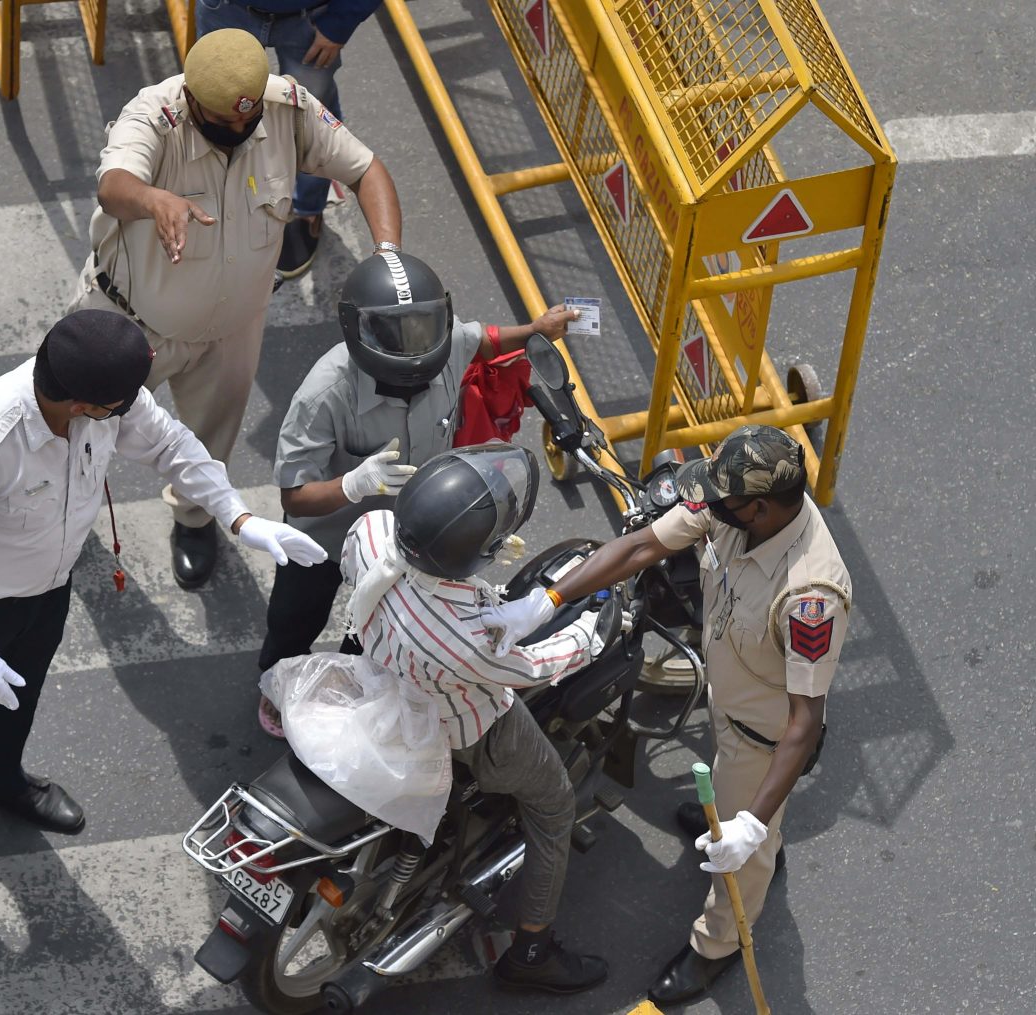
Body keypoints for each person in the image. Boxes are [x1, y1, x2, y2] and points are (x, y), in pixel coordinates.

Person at [0, 310, 328, 919]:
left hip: (45, 588)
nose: (133, 409)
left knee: (18, 698)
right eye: (122, 403)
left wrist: (240, 517)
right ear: (83, 405)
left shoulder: (100, 402)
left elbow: (171, 443)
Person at [479, 425, 851, 1005]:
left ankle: (720, 942)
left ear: (758, 508)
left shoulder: (812, 595)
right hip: (728, 703)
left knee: (740, 857)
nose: (709, 504)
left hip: (765, 740)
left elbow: (804, 723)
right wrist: (546, 601)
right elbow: (641, 547)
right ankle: (748, 835)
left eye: (724, 502)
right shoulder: (735, 507)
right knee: (732, 815)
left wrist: (749, 825)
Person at [68, 27, 402, 590]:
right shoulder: (154, 114)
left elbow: (365, 169)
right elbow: (114, 186)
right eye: (222, 124)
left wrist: (389, 257)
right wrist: (155, 200)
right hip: (127, 326)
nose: (237, 132)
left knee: (208, 442)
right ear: (193, 100)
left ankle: (195, 519)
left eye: (246, 124)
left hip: (232, 329)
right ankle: (66, 519)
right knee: (76, 432)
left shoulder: (286, 107)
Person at [256, 250, 578, 735]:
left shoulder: (448, 349)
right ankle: (277, 694)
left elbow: (484, 341)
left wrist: (533, 330)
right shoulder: (324, 394)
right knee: (292, 621)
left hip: (404, 540)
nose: (416, 347)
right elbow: (295, 497)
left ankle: (346, 699)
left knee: (374, 636)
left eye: (425, 329)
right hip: (324, 538)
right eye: (396, 333)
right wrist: (353, 484)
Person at [340, 444, 609, 993]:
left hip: (378, 684)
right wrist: (591, 634)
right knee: (555, 804)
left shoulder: (370, 533)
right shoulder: (469, 633)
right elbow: (532, 667)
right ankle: (532, 948)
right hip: (468, 734)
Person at [193, 0, 385, 279]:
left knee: (312, 116)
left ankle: (308, 209)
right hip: (225, 8)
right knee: (216, 110)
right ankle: (221, 202)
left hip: (312, 16)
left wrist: (340, 22)